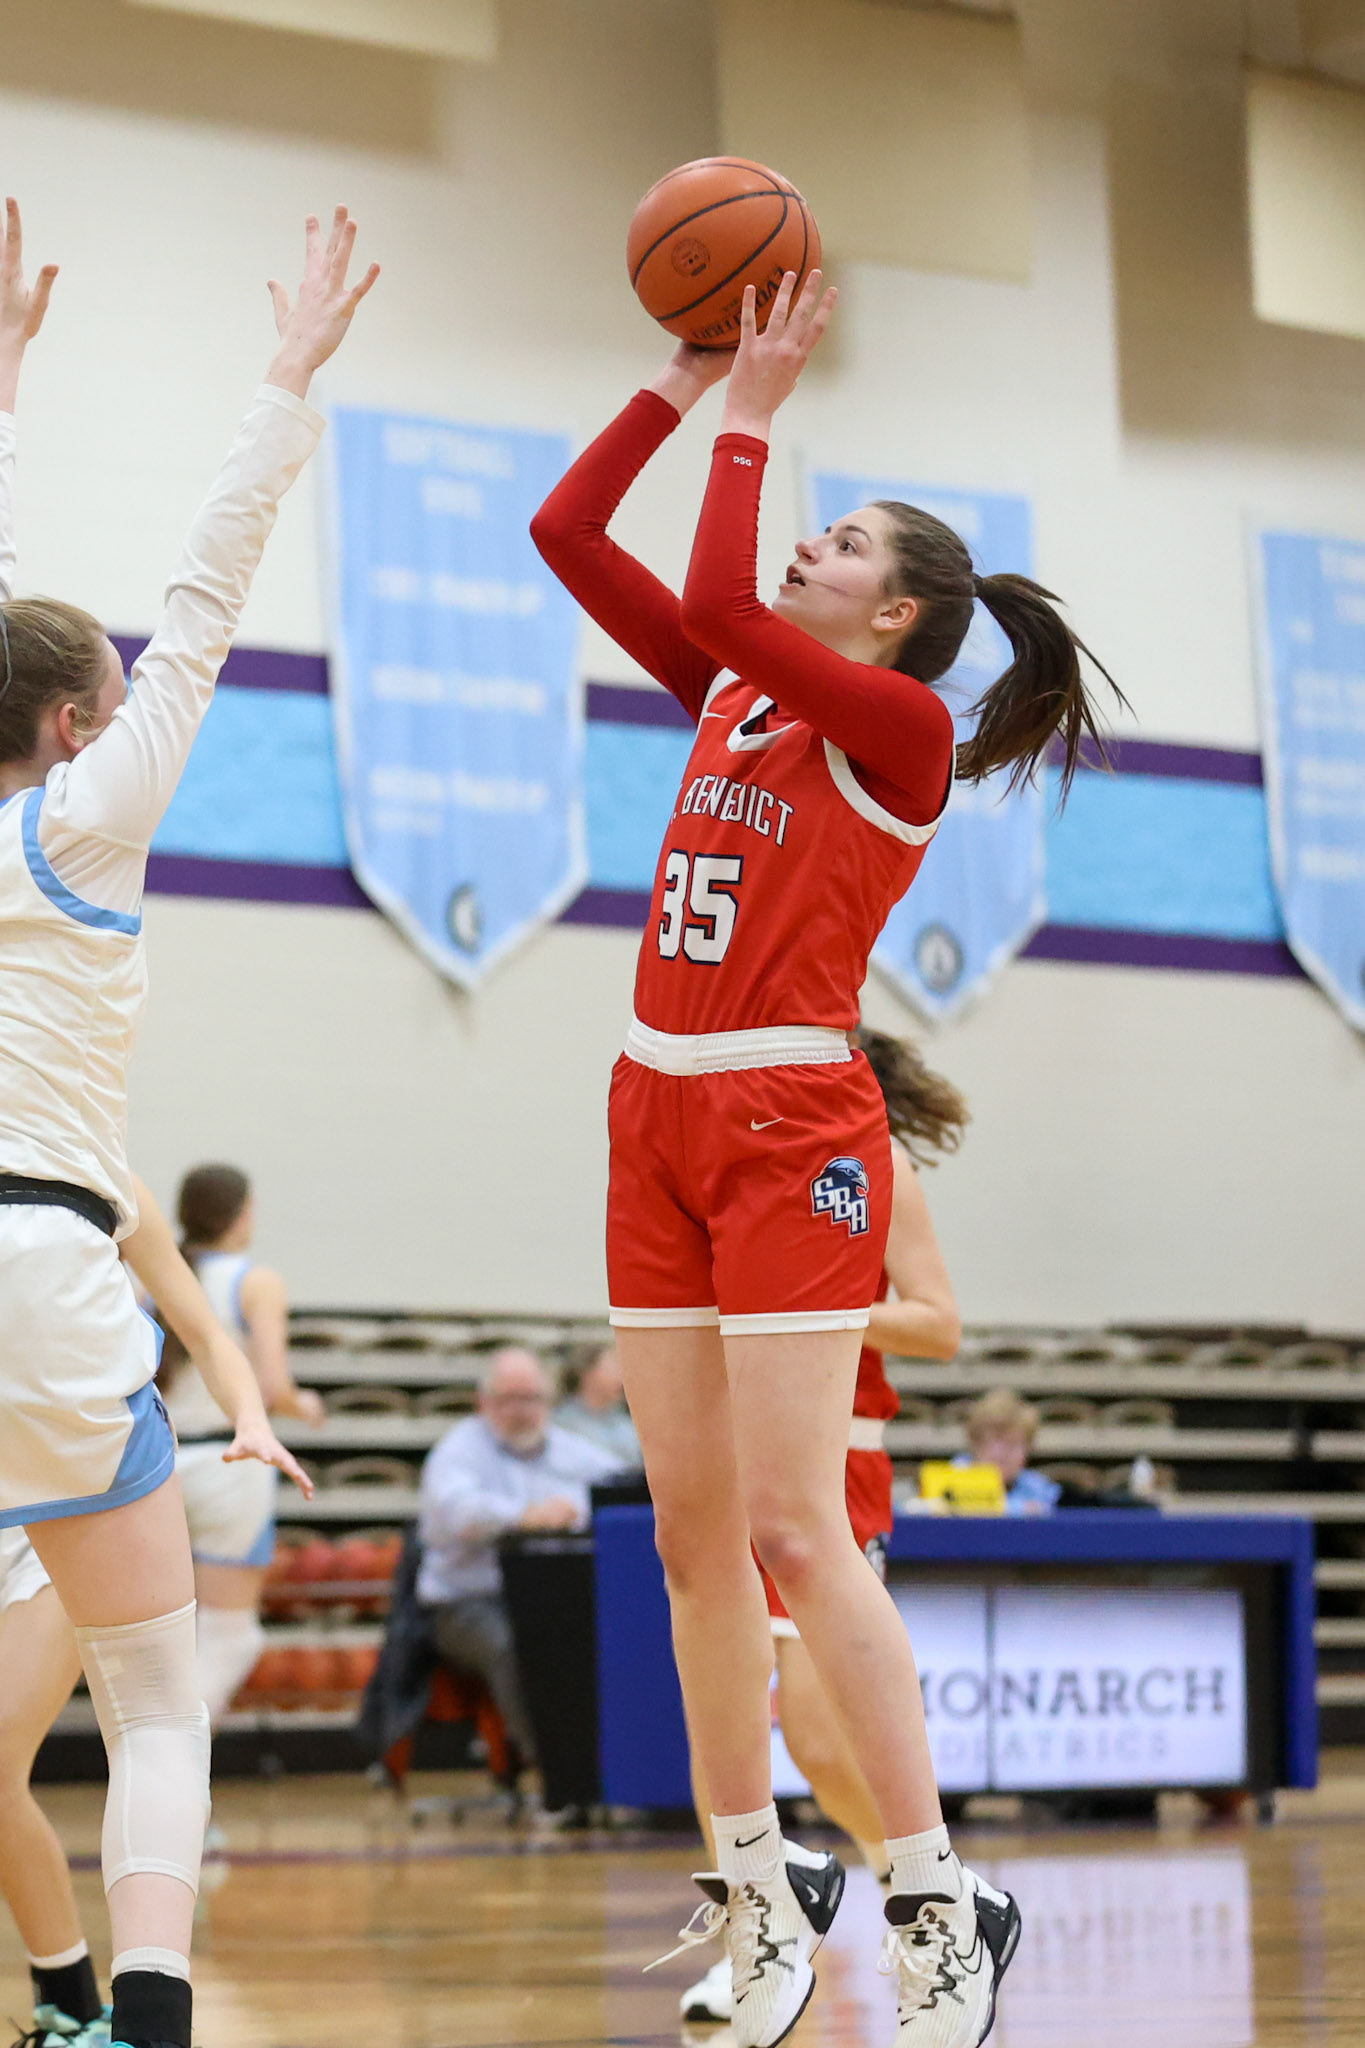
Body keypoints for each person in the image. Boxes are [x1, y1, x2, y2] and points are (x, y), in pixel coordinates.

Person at [532, 269, 1120, 2048]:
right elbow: (571, 528)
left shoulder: (902, 731)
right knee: (688, 1540)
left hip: (794, 1123)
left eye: (843, 542)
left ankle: (939, 1899)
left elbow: (715, 582)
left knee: (796, 1524)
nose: (808, 547)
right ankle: (760, 1882)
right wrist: (677, 379)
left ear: (907, 614)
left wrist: (759, 405)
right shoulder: (739, 694)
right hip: (654, 1106)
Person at [0, 197, 375, 2048]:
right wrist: (286, 377)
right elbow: (210, 593)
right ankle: (142, 2018)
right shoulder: (83, 820)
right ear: (74, 722)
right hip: (49, 1268)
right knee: (154, 1696)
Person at [682, 1028, 968, 2025]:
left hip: (838, 1461)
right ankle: (752, 1924)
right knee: (717, 1707)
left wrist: (817, 1297)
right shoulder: (729, 1159)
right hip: (729, 1450)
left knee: (813, 1722)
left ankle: (934, 1898)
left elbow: (939, 1321)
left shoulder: (877, 1168)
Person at [1, 1174, 311, 2048]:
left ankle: (82, 2004)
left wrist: (253, 1411)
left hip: (66, 1507)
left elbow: (205, 1331)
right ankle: (68, 1992)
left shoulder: (89, 1171)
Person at [156, 1163, 324, 1729]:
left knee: (159, 1637)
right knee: (229, 1638)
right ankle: (171, 1761)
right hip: (233, 1465)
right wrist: (307, 1405)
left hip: (161, 1464)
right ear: (242, 1213)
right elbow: (273, 1387)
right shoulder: (257, 1281)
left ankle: (154, 1766)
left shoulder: (162, 1273)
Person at [416, 1348, 621, 1767]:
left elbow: (622, 1484)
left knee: (604, 1637)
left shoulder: (568, 1448)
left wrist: (573, 1510)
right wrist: (527, 1516)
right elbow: (459, 1514)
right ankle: (552, 1769)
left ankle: (610, 1765)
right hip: (465, 1604)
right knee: (518, 1646)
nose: (521, 1410)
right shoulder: (457, 1451)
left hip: (555, 1595)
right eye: (508, 1399)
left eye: (531, 1399)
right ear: (483, 1403)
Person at [953, 1390, 1061, 1516]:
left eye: (1014, 1444)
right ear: (975, 1443)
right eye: (996, 1442)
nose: (1004, 1453)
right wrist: (1020, 1509)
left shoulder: (1039, 1489)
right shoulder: (953, 1476)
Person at [555, 1342, 642, 1467]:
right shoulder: (562, 1425)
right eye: (614, 1368)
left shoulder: (626, 1423)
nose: (621, 1377)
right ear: (587, 1373)